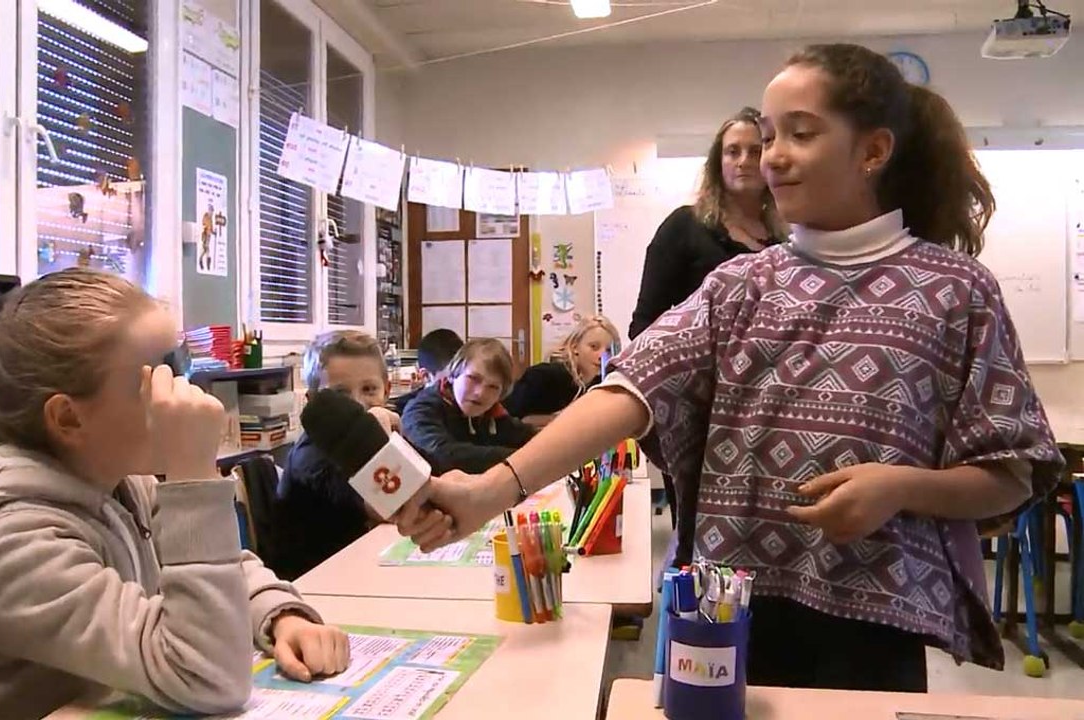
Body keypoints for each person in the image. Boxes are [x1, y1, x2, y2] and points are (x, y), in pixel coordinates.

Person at [396, 44, 1063, 693]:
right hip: (727, 606)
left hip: (874, 623)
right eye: (769, 134)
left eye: (800, 134)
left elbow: (1012, 471)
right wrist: (495, 490)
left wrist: (902, 487)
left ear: (873, 150)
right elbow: (631, 388)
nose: (772, 156)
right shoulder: (741, 283)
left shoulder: (956, 292)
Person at [0, 269, 350, 720]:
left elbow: (215, 563)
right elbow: (206, 676)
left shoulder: (116, 477)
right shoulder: (7, 540)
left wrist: (280, 615)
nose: (186, 397)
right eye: (154, 378)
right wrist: (194, 476)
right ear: (69, 419)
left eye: (177, 368)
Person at [628, 106, 787, 340]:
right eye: (733, 152)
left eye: (755, 151)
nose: (744, 161)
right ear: (718, 164)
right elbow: (645, 325)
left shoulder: (783, 240)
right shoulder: (684, 226)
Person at [271, 330, 401, 580]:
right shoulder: (310, 454)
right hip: (315, 588)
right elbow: (387, 507)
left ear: (387, 391)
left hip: (364, 569)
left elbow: (432, 475)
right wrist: (383, 434)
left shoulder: (379, 432)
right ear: (312, 401)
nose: (357, 404)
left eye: (369, 389)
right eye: (340, 394)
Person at [401, 338, 535, 474]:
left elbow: (531, 439)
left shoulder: (493, 415)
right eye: (473, 378)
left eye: (493, 387)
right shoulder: (420, 410)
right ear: (454, 374)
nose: (480, 393)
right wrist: (522, 459)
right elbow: (443, 455)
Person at [503, 315, 621, 428]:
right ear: (575, 347)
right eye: (594, 347)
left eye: (608, 350)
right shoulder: (545, 376)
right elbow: (514, 419)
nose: (602, 356)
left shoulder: (601, 385)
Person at [392, 328, 464, 414]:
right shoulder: (406, 410)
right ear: (425, 376)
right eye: (449, 382)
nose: (459, 386)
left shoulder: (470, 407)